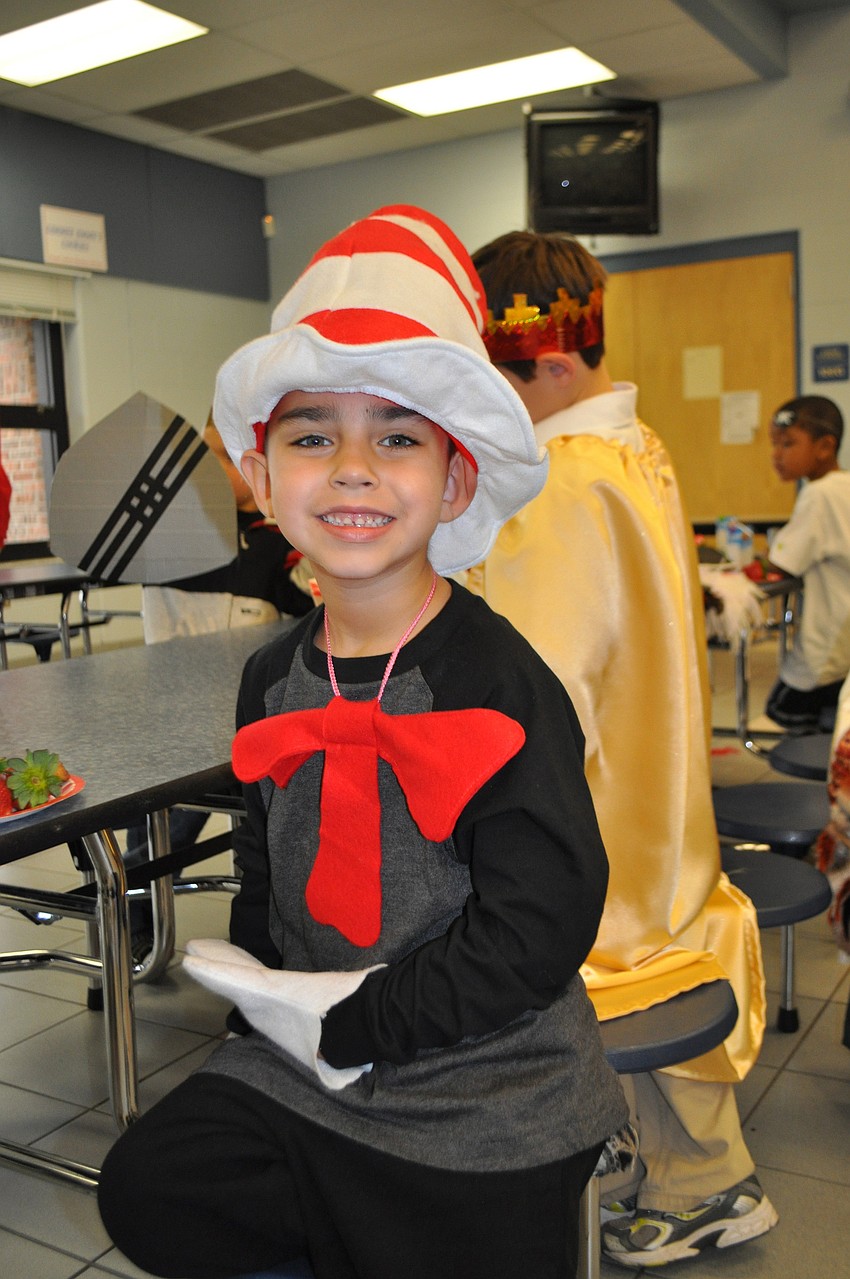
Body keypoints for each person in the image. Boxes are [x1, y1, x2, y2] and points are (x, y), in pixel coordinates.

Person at [97, 205, 629, 1279]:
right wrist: (261, 996)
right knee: (151, 1185)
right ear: (258, 475)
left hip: (490, 1075)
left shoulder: (502, 681)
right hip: (316, 1055)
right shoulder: (269, 673)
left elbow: (536, 929)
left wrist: (358, 1022)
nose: (350, 468)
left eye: (395, 436)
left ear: (456, 477)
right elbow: (265, 859)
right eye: (310, 436)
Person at [469, 229, 775, 1267]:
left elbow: (536, 683)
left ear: (549, 362)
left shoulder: (561, 479)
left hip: (600, 803)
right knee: (661, 948)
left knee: (624, 969)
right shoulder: (632, 446)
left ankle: (704, 1187)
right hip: (659, 790)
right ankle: (683, 1165)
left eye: (495, 382)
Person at [764, 396, 850, 733]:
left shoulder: (819, 494)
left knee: (784, 707)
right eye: (774, 444)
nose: (776, 454)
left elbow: (783, 563)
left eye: (788, 444)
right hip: (845, 637)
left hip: (829, 643)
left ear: (825, 446)